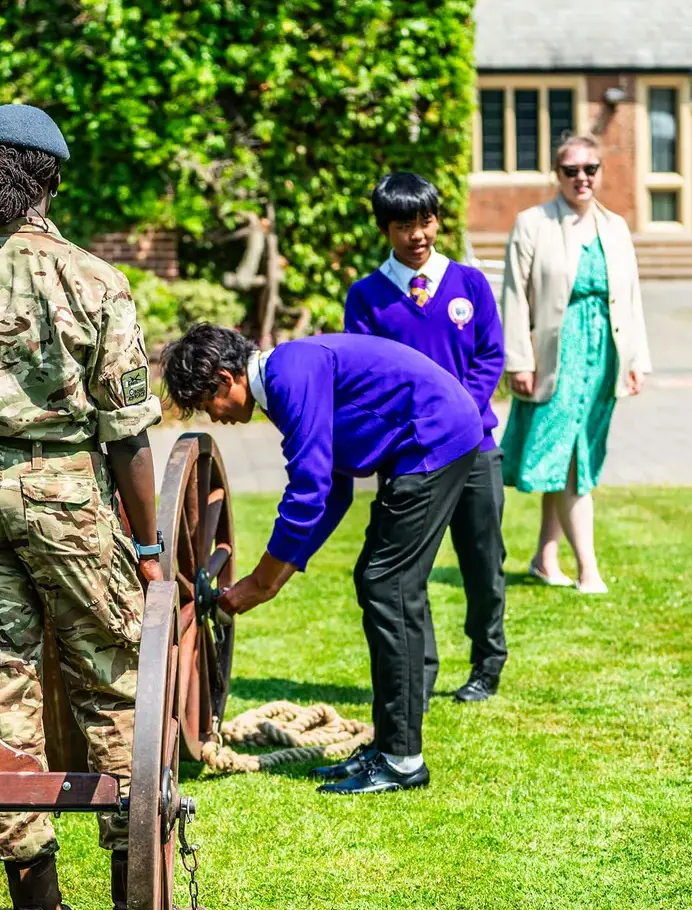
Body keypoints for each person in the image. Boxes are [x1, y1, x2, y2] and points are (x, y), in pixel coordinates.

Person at [0, 104, 214, 910]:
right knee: (113, 682)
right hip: (69, 500)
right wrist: (149, 551)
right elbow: (125, 435)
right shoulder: (96, 282)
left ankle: (35, 909)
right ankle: (133, 902)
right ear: (51, 178)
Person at [162, 326, 484, 794]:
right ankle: (389, 747)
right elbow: (333, 486)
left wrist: (260, 584)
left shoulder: (289, 375)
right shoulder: (288, 376)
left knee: (388, 586)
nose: (213, 416)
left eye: (206, 402)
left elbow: (309, 489)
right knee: (379, 583)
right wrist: (278, 575)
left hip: (433, 438)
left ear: (226, 378)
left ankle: (402, 760)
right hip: (427, 438)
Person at [345, 172, 508, 704]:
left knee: (483, 561)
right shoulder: (368, 298)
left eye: (426, 220)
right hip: (412, 459)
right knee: (410, 572)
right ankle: (423, 668)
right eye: (403, 225)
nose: (417, 234)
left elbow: (490, 358)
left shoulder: (470, 285)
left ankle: (487, 663)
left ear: (437, 220)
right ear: (384, 229)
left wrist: (459, 413)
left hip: (476, 451)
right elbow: (365, 377)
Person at [500, 133, 651, 594]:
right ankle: (589, 569)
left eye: (590, 169)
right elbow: (514, 297)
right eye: (571, 170)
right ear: (556, 174)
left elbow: (630, 298)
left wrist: (635, 359)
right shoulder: (532, 224)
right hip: (554, 357)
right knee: (571, 459)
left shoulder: (616, 227)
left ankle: (546, 557)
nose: (581, 178)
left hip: (603, 354)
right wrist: (518, 361)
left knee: (576, 451)